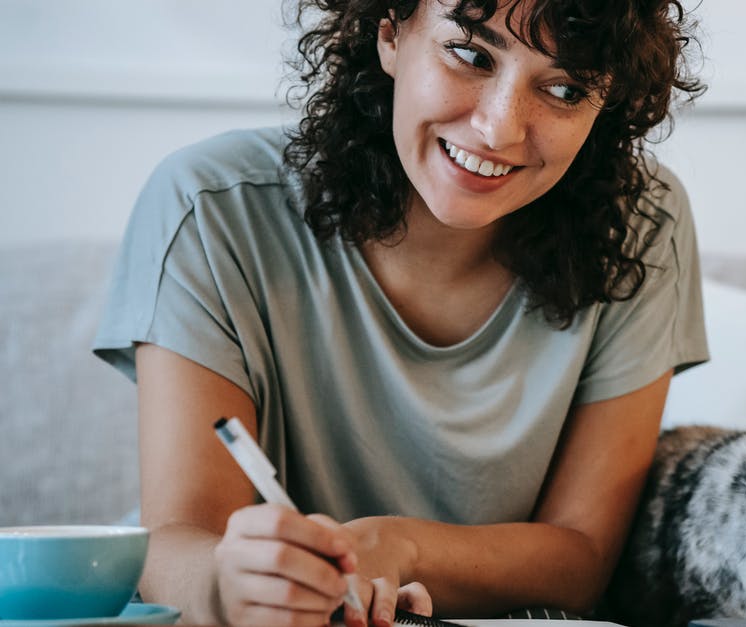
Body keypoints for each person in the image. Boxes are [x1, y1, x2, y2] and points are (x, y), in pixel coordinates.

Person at [92, 0, 706, 624]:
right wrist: (229, 586)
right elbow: (175, 541)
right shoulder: (210, 208)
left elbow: (582, 559)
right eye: (471, 54)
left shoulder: (642, 226)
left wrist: (400, 548)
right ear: (389, 32)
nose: (499, 127)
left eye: (567, 88)